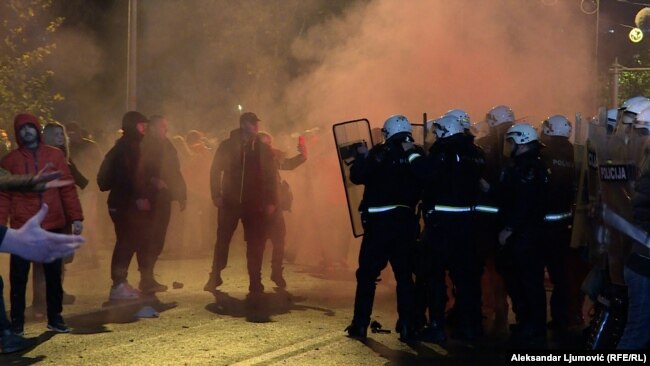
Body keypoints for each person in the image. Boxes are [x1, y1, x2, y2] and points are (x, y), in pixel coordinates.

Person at [0, 113, 84, 336]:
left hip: (52, 223)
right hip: (21, 227)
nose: (26, 131)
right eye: (22, 128)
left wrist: (76, 217)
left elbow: (67, 188)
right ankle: (17, 324)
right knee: (18, 278)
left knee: (54, 275)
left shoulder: (55, 156)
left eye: (30, 127)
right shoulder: (10, 161)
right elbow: (4, 196)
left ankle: (55, 318)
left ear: (37, 129)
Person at [407, 114, 486, 342]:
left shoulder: (444, 151)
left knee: (434, 277)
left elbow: (423, 171)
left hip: (442, 227)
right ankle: (471, 327)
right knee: (466, 279)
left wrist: (413, 152)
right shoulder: (476, 153)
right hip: (469, 225)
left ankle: (436, 325)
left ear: (443, 132)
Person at [344, 115, 422, 342]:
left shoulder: (379, 152)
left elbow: (357, 176)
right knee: (405, 276)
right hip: (405, 225)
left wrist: (361, 157)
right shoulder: (415, 154)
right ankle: (408, 326)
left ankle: (359, 325)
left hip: (378, 227)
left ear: (387, 133)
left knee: (367, 276)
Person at [204, 112, 279, 293]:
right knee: (222, 240)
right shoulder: (227, 146)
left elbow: (271, 177)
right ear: (244, 124)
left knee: (255, 242)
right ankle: (215, 275)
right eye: (253, 123)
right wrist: (216, 194)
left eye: (256, 124)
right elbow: (215, 171)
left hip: (254, 203)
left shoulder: (262, 148)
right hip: (229, 201)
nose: (256, 127)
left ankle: (255, 280)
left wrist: (271, 200)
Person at [496, 123, 549, 347]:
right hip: (522, 234)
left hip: (527, 235)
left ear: (522, 142)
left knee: (530, 281)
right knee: (517, 278)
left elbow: (524, 204)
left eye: (511, 142)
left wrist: (509, 229)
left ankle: (534, 325)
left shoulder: (529, 168)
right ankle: (526, 320)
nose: (508, 146)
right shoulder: (520, 166)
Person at [97, 111, 151, 300]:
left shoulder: (124, 146)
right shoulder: (128, 148)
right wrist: (138, 197)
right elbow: (129, 177)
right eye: (142, 125)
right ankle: (118, 285)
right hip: (124, 204)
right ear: (133, 126)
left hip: (121, 202)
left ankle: (121, 283)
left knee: (128, 241)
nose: (145, 128)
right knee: (125, 243)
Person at [137, 115, 187, 293]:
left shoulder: (167, 145)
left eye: (166, 126)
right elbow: (136, 170)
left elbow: (175, 170)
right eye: (162, 126)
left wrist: (182, 194)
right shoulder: (144, 145)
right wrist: (152, 180)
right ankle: (145, 277)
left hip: (164, 198)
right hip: (149, 198)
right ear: (152, 128)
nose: (165, 130)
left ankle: (149, 275)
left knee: (158, 239)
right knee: (147, 238)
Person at [538, 115, 576, 333]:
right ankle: (561, 318)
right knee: (560, 276)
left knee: (534, 276)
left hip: (541, 225)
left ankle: (535, 321)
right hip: (564, 225)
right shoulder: (573, 153)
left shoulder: (543, 153)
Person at [257, 131, 307, 288]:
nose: (270, 147)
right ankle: (255, 278)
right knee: (258, 244)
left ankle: (276, 272)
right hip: (259, 208)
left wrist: (303, 154)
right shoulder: (252, 161)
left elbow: (289, 164)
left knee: (279, 240)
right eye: (266, 144)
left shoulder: (271, 159)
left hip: (275, 207)